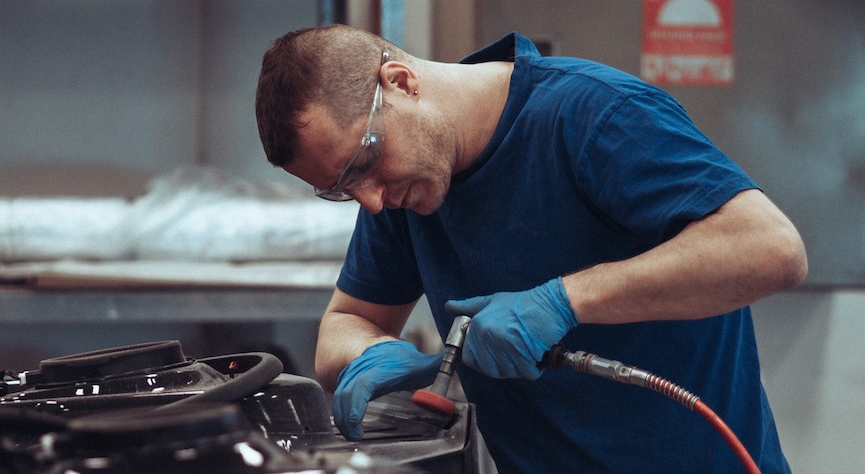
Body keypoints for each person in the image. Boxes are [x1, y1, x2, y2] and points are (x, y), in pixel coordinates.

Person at [254, 24, 806, 473]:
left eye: (362, 166)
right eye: (339, 189)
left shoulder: (595, 115)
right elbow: (345, 323)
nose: (369, 202)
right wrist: (368, 353)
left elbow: (771, 248)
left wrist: (563, 301)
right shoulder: (401, 191)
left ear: (399, 82)